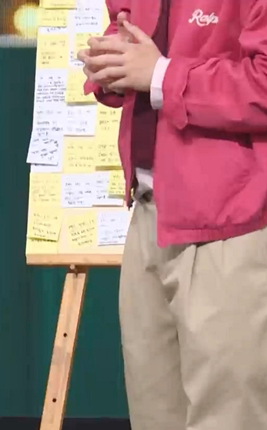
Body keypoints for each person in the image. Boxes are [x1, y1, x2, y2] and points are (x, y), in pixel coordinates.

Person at [78, 2, 267, 430]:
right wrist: (110, 64)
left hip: (232, 220)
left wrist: (162, 75)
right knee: (153, 414)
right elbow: (131, 31)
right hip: (148, 210)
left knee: (229, 417)